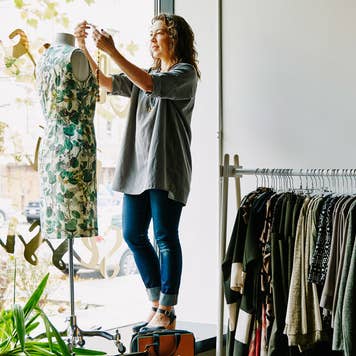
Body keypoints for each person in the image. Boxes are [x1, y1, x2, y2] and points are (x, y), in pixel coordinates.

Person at [74, 13, 200, 330]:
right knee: (132, 234)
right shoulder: (144, 74)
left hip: (166, 168)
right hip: (137, 168)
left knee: (165, 237)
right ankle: (156, 303)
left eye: (159, 33)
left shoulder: (185, 74)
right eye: (151, 34)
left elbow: (150, 85)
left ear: (176, 38)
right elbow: (102, 81)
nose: (153, 39)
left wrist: (113, 50)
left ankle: (168, 311)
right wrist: (83, 46)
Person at [36, 33, 98, 240]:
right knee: (73, 221)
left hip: (50, 147)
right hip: (74, 147)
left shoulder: (44, 58)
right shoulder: (75, 55)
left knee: (59, 216)